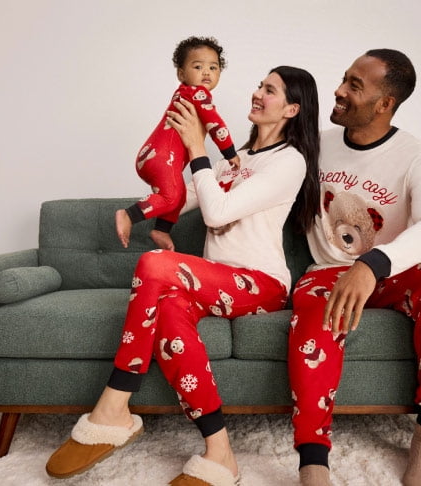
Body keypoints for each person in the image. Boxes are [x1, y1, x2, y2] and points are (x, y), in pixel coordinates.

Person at [46, 66, 321, 486]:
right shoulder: (239, 160)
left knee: (155, 264)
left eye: (269, 90)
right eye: (259, 85)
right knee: (169, 312)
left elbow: (218, 211)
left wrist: (197, 147)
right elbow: (185, 196)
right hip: (214, 279)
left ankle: (113, 407)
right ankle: (220, 452)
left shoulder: (290, 162)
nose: (256, 93)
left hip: (260, 283)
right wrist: (141, 210)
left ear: (291, 109)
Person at [287, 49, 421, 486]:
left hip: (391, 272)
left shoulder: (419, 156)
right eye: (344, 79)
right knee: (313, 316)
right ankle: (313, 463)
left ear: (384, 104)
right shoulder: (315, 145)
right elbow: (253, 171)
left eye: (354, 85)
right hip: (328, 272)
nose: (338, 90)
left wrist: (374, 263)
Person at [116, 36, 241, 251]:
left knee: (179, 195)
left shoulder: (185, 93)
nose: (206, 72)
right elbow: (215, 124)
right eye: (198, 66)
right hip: (162, 158)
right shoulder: (197, 93)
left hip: (154, 156)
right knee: (172, 196)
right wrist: (230, 152)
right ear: (181, 74)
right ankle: (128, 214)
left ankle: (162, 229)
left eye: (213, 67)